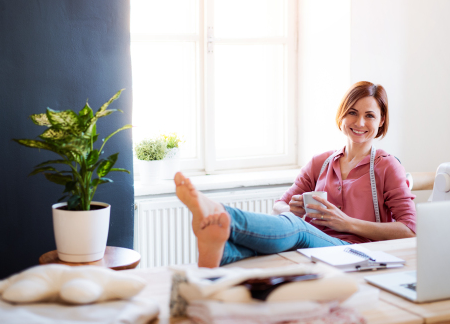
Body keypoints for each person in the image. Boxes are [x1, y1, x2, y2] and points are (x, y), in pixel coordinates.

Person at [174, 81, 416, 268]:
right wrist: (293, 208)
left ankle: (221, 214)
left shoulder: (386, 166)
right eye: (352, 112)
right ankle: (223, 254)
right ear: (342, 116)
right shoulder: (320, 163)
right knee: (288, 232)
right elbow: (279, 206)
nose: (359, 122)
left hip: (355, 251)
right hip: (315, 243)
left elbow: (410, 229)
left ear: (382, 120)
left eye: (370, 115)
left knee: (299, 230)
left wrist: (347, 223)